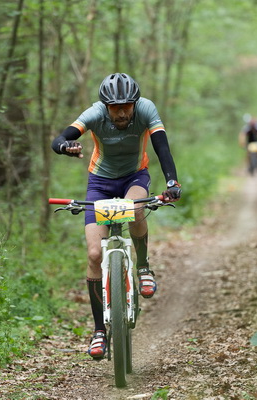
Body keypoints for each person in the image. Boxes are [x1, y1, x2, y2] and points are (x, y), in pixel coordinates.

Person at [51, 72, 181, 360]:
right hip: (100, 183)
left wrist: (172, 181)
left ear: (135, 103)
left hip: (135, 176)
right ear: (105, 106)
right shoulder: (95, 113)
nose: (122, 113)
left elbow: (161, 146)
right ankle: (99, 331)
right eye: (115, 107)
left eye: (126, 106)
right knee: (94, 254)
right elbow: (61, 137)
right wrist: (64, 147)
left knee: (134, 208)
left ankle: (143, 268)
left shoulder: (146, 109)